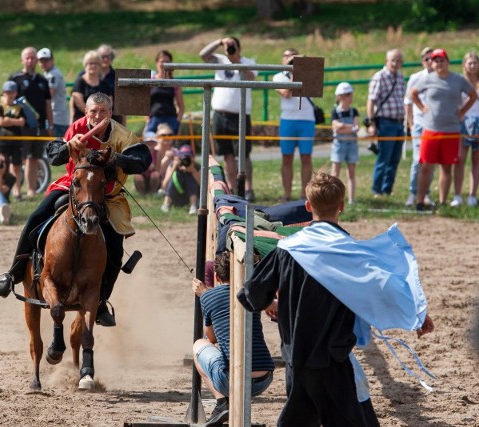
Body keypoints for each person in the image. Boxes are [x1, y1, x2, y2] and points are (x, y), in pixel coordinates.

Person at [238, 171, 435, 427]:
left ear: (308, 206)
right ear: (341, 206)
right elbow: (385, 285)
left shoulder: (287, 250)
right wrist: (417, 315)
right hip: (331, 359)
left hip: (295, 356)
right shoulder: (349, 251)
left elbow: (250, 294)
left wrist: (270, 304)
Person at [0, 93, 152, 327]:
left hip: (109, 196)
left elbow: (142, 159)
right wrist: (68, 147)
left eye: (103, 112)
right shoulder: (76, 128)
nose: (98, 117)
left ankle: (100, 302)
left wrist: (115, 159)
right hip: (73, 188)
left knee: (116, 249)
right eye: (93, 112)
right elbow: (54, 154)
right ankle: (13, 273)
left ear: (111, 112)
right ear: (86, 112)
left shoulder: (122, 135)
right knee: (36, 217)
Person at [192, 251, 274, 426]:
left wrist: (205, 295)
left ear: (216, 275)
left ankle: (221, 402)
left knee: (199, 345)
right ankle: (226, 403)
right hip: (265, 377)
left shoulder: (208, 296)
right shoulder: (251, 293)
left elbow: (211, 337)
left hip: (232, 380)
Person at [411, 48, 478, 210]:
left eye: (442, 60)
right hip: (431, 129)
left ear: (447, 62)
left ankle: (442, 201)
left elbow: (473, 95)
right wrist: (422, 107)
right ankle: (420, 201)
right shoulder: (427, 79)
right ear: (432, 64)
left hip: (451, 130)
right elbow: (413, 93)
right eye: (436, 61)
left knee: (446, 167)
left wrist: (462, 112)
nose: (439, 63)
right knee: (426, 166)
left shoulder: (457, 80)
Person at [200, 36, 257, 202]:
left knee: (244, 154)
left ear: (239, 48)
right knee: (227, 155)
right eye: (228, 47)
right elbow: (203, 54)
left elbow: (251, 76)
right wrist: (219, 42)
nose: (229, 49)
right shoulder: (220, 60)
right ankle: (232, 189)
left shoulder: (248, 61)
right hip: (220, 114)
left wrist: (236, 61)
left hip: (240, 114)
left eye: (232, 46)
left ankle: (248, 189)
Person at [9, 46, 53, 198]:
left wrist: (50, 124)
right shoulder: (15, 79)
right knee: (17, 159)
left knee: (33, 158)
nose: (30, 60)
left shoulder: (42, 80)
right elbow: (6, 101)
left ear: (36, 60)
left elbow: (48, 104)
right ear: (22, 60)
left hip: (38, 126)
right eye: (27, 57)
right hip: (20, 127)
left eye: (32, 57)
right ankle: (15, 189)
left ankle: (31, 190)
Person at [273, 48, 316, 202]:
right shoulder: (278, 76)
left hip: (307, 119)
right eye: (286, 56)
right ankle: (287, 194)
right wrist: (294, 74)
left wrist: (302, 64)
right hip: (288, 120)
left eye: (293, 56)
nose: (290, 59)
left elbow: (314, 83)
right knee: (287, 158)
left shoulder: (307, 73)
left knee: (306, 158)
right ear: (282, 59)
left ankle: (305, 194)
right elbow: (286, 93)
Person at [365, 48, 405, 198]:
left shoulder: (400, 78)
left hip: (399, 122)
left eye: (398, 60)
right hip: (384, 122)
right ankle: (377, 190)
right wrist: (371, 123)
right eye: (392, 60)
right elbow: (371, 101)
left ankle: (387, 189)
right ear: (386, 61)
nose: (395, 63)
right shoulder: (379, 77)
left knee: (395, 159)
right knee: (384, 158)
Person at [404, 47, 435, 207]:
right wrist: (411, 124)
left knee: (430, 161)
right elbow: (408, 102)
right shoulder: (415, 78)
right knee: (418, 160)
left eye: (433, 58)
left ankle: (426, 193)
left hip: (434, 127)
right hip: (419, 125)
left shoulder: (439, 78)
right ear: (422, 61)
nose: (430, 61)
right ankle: (413, 192)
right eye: (427, 59)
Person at [451, 51, 479, 207]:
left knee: (476, 160)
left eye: (475, 62)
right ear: (465, 65)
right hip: (463, 123)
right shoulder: (460, 82)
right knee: (460, 159)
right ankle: (457, 195)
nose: (473, 66)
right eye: (470, 63)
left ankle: (472, 195)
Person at [330, 82, 360, 205]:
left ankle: (351, 199)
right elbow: (335, 127)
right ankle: (332, 198)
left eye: (350, 94)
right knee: (335, 173)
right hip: (339, 144)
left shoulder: (354, 111)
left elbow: (356, 127)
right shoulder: (335, 111)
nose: (350, 97)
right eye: (347, 94)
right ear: (340, 96)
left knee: (351, 173)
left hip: (352, 144)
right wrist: (349, 127)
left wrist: (343, 126)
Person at [0, 80, 25, 200]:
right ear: (4, 93)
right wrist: (14, 121)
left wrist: (8, 120)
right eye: (7, 92)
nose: (10, 94)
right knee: (3, 165)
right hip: (3, 141)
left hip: (16, 141)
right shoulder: (0, 107)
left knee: (17, 166)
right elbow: (0, 122)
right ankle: (2, 188)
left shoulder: (20, 108)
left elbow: (22, 122)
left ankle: (17, 190)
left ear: (16, 93)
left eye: (12, 92)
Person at [145, 50, 184, 135]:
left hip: (171, 119)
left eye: (167, 62)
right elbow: (144, 104)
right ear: (157, 63)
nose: (164, 64)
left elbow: (181, 106)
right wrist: (148, 121)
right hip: (154, 119)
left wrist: (177, 122)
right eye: (162, 61)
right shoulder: (150, 81)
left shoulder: (175, 83)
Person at [71, 50, 113, 123]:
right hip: (82, 122)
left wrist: (100, 116)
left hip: (101, 123)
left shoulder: (104, 84)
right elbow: (79, 103)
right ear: (85, 65)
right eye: (90, 63)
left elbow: (109, 103)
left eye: (96, 63)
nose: (93, 66)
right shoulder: (79, 82)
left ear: (100, 65)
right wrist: (93, 115)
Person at [37, 47, 70, 138]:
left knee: (56, 148)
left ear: (52, 60)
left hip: (57, 118)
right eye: (41, 61)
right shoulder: (48, 73)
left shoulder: (53, 74)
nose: (43, 63)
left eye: (46, 60)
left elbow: (49, 93)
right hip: (56, 117)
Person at [160, 145, 200, 215]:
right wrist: (174, 168)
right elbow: (164, 185)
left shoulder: (196, 166)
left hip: (191, 196)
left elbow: (203, 186)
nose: (185, 159)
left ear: (192, 158)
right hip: (176, 197)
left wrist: (193, 171)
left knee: (189, 176)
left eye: (188, 157)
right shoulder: (173, 165)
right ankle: (166, 204)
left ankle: (193, 205)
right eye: (183, 157)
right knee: (176, 176)